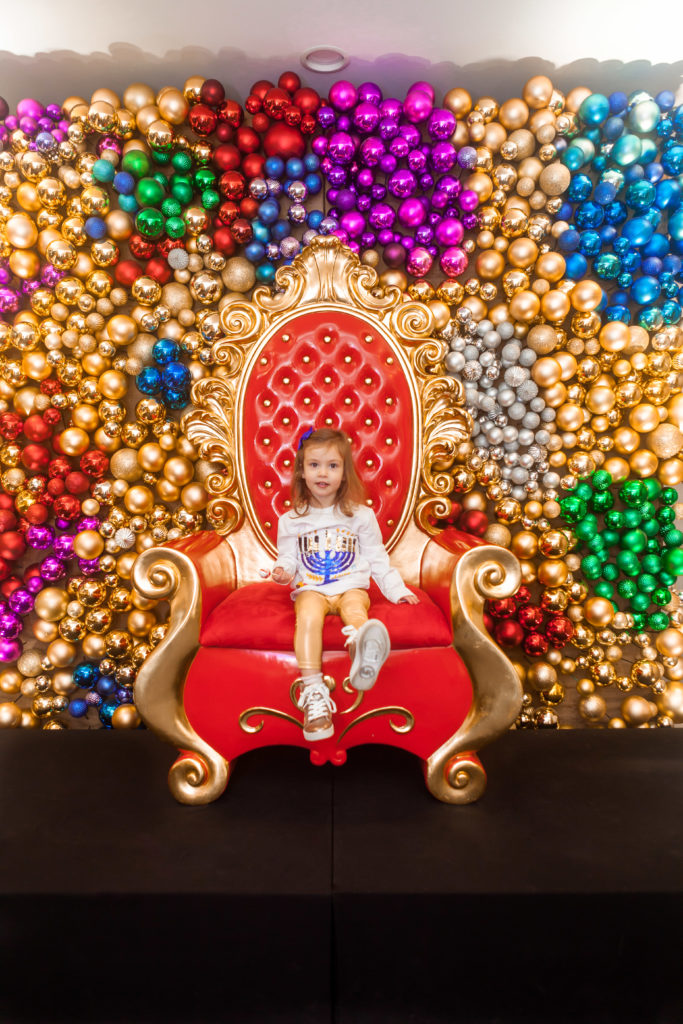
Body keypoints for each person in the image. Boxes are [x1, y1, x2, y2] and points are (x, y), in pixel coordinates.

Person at [270, 427, 419, 742]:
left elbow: (377, 557)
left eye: (332, 466)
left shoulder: (361, 516)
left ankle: (362, 655)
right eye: (314, 465)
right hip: (311, 587)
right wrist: (282, 571)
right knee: (307, 615)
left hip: (351, 585)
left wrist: (397, 591)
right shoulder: (291, 520)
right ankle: (314, 694)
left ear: (344, 473)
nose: (322, 473)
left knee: (355, 609)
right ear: (301, 470)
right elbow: (288, 558)